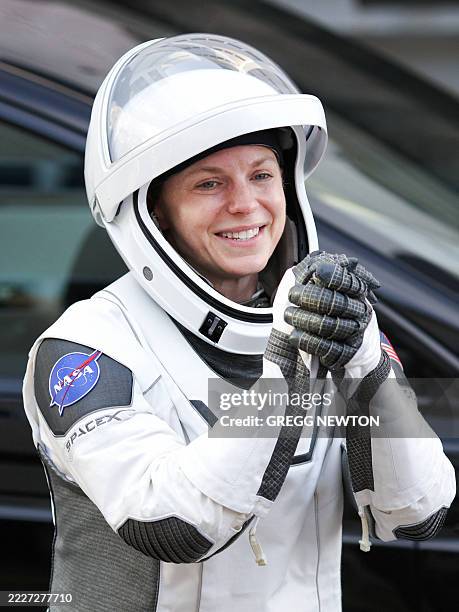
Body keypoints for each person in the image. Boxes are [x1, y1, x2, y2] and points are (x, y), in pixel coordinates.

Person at [22, 34, 455, 611]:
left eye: (261, 174)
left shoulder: (328, 321)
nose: (246, 204)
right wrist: (286, 376)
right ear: (157, 214)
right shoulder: (87, 347)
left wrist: (365, 363)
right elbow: (171, 523)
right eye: (209, 183)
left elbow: (417, 513)